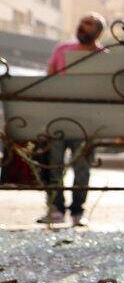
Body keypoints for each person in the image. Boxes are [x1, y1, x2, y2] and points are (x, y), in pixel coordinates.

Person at [37, 13, 107, 226]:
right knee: (53, 165)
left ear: (97, 31)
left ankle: (78, 211)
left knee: (82, 168)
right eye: (81, 22)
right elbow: (48, 80)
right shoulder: (61, 50)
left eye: (88, 24)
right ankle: (56, 208)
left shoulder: (104, 56)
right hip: (58, 117)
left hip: (86, 120)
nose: (82, 27)